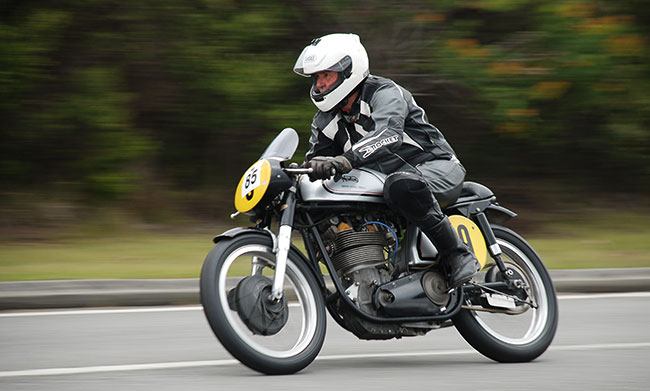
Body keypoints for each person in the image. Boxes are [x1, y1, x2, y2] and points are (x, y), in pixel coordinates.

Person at [293, 33, 480, 287]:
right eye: (317, 77)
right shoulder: (325, 120)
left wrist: (345, 160)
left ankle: (458, 255)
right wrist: (299, 174)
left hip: (437, 167)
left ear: (349, 71)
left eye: (326, 75)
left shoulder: (385, 93)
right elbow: (317, 161)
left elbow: (388, 134)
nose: (320, 84)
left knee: (401, 185)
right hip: (386, 184)